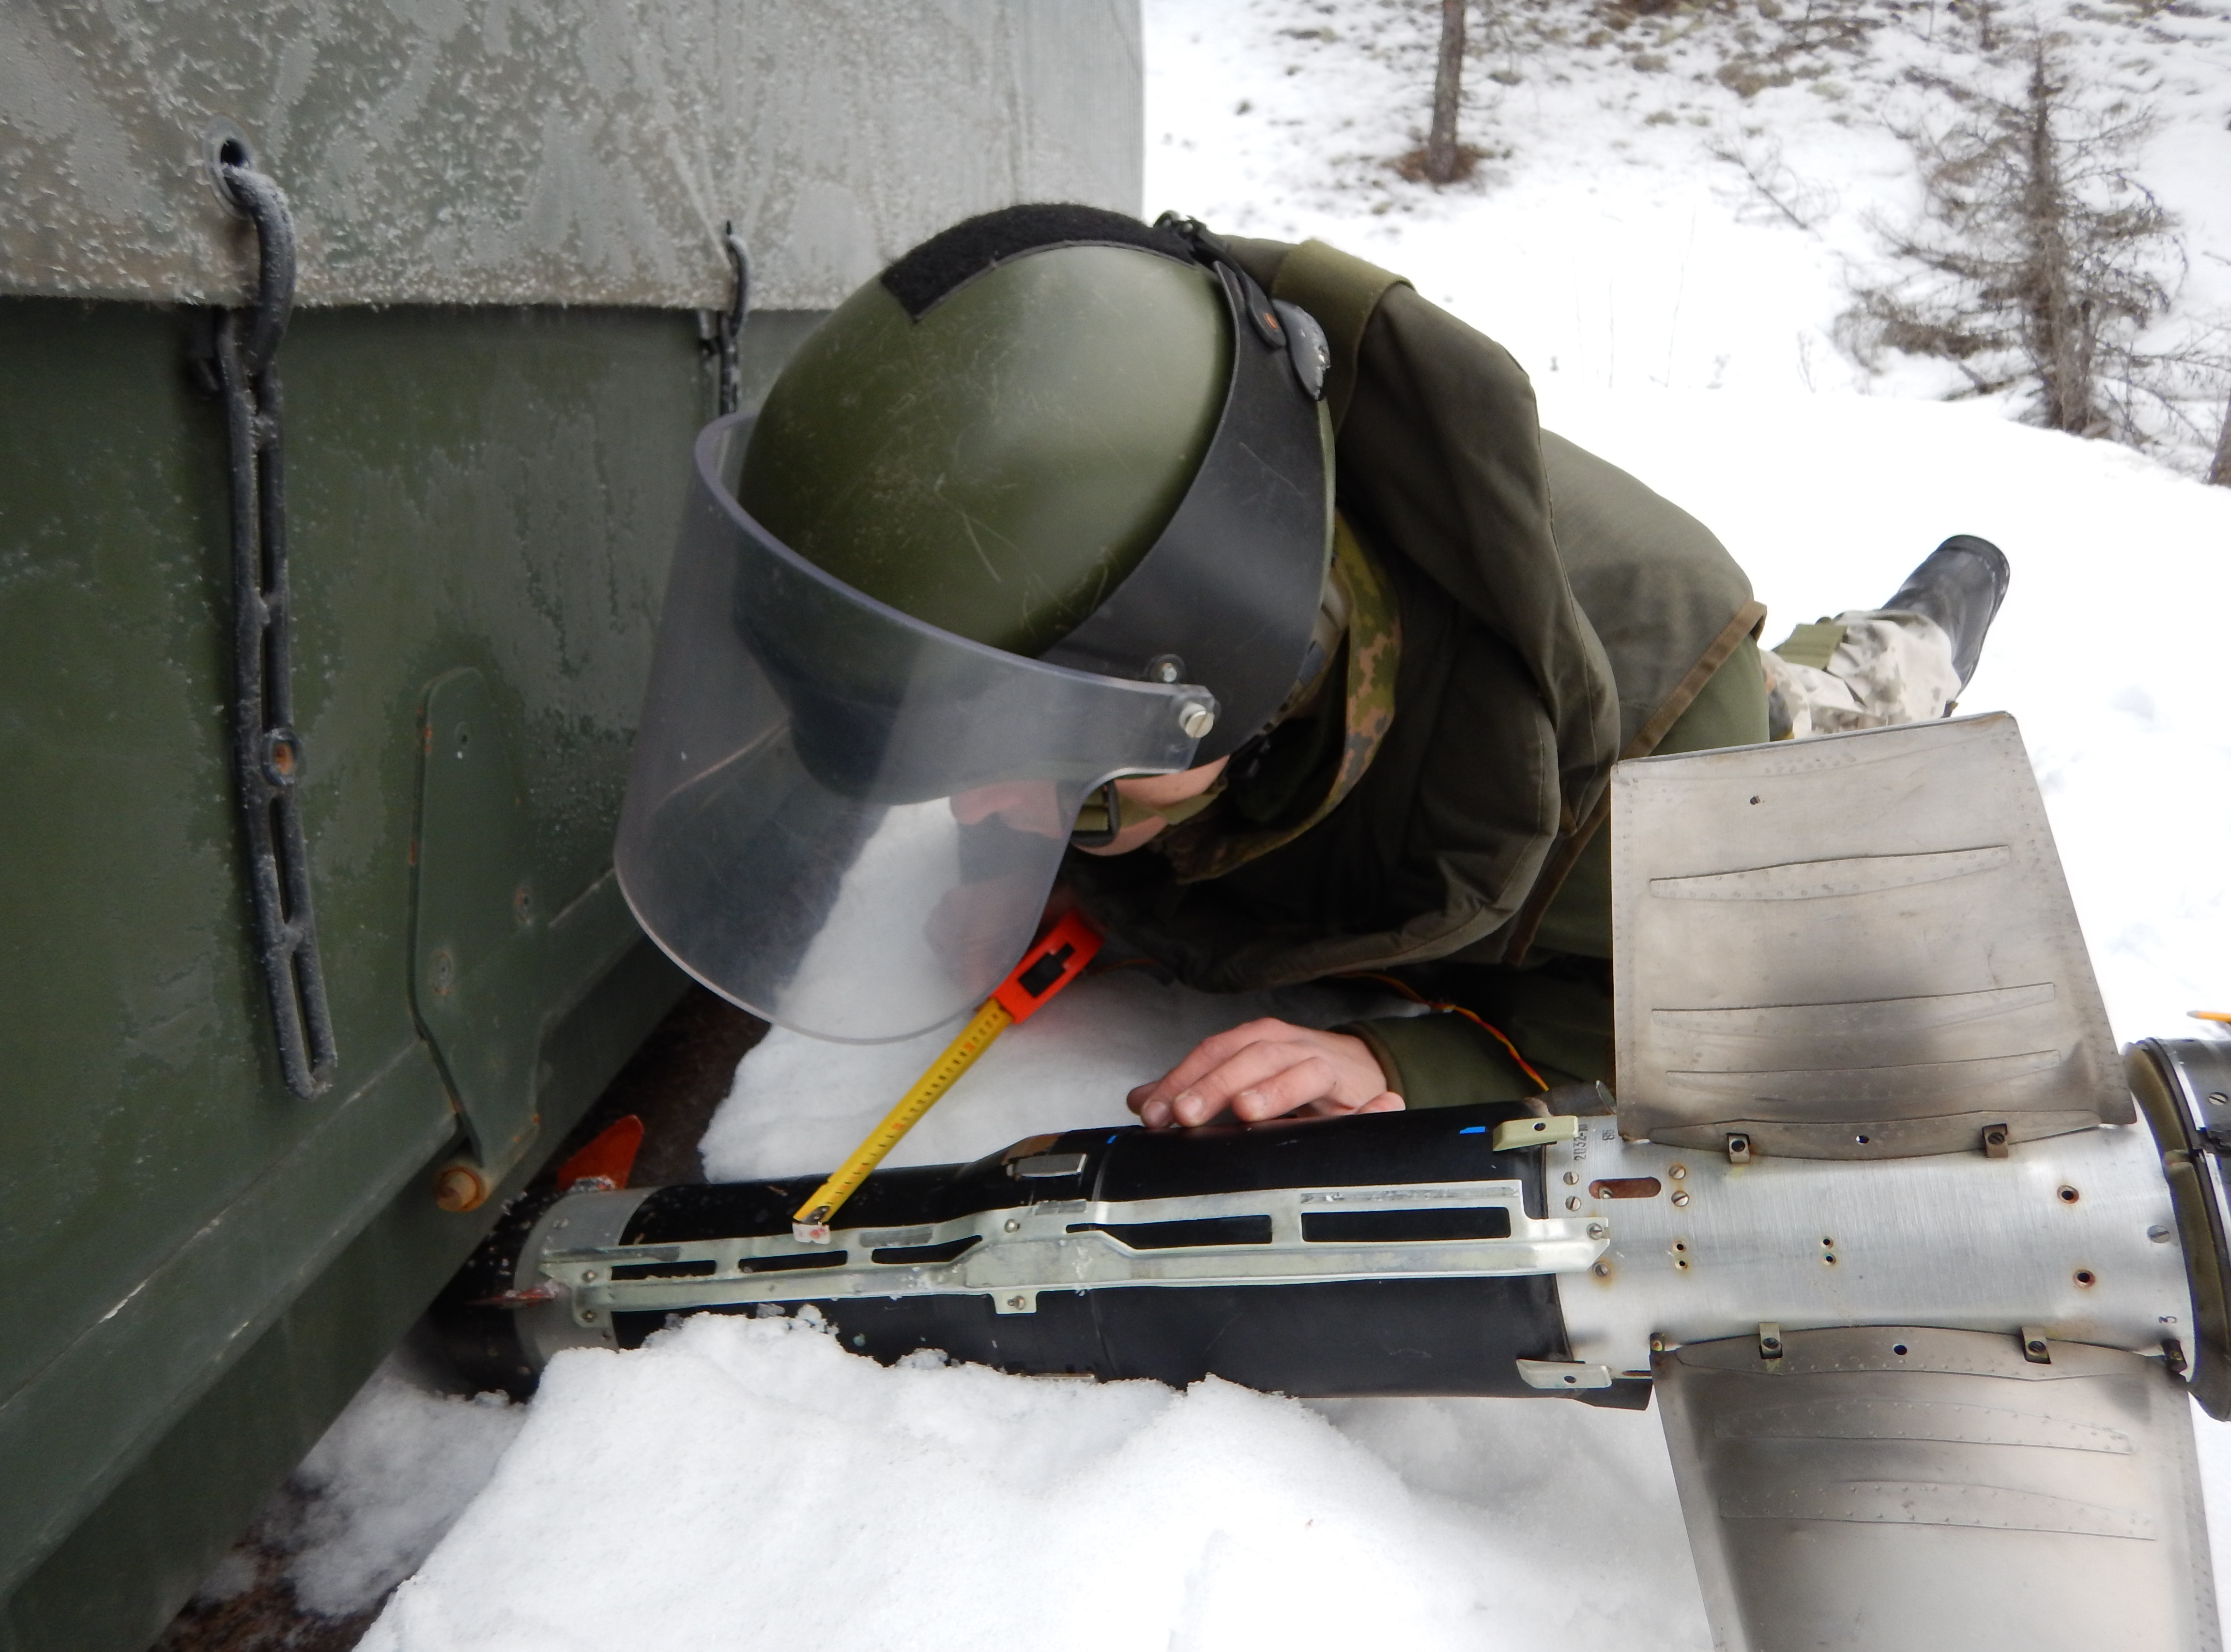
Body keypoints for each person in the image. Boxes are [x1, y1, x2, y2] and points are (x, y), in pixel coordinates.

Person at [617, 202, 2009, 1129]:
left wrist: (1405, 1063)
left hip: (1713, 710)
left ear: (1245, 668)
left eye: (1055, 777)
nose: (996, 817)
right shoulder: (1131, 539)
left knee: (1852, 701)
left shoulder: (1658, 772)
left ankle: (1931, 616)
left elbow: (1691, 1015)